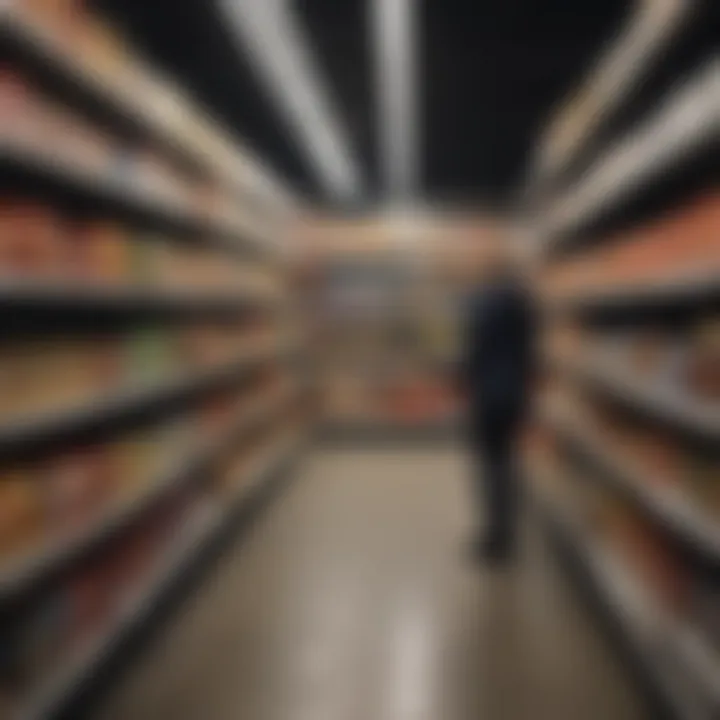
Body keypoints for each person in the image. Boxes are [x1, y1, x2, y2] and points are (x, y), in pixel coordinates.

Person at [459, 240, 537, 564]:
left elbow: (474, 351)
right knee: (506, 464)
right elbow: (528, 352)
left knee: (490, 467)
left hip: (490, 396)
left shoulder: (486, 304)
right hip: (514, 393)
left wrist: (462, 377)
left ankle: (495, 539)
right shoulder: (524, 304)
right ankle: (504, 534)